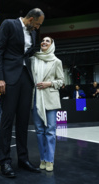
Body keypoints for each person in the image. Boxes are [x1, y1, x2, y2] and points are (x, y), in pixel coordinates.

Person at [0, 8, 44, 177]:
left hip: (25, 78)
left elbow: (28, 54)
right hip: (9, 77)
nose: (37, 28)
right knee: (8, 120)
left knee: (23, 121)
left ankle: (23, 159)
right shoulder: (9, 24)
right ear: (30, 19)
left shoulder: (33, 34)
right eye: (37, 24)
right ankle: (5, 162)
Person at [31, 36, 64, 172]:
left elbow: (61, 81)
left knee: (50, 131)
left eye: (47, 41)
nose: (44, 42)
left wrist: (49, 83)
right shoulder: (33, 59)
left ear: (52, 45)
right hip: (36, 98)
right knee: (39, 131)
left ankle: (50, 160)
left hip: (50, 99)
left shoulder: (56, 61)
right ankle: (42, 159)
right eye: (43, 41)